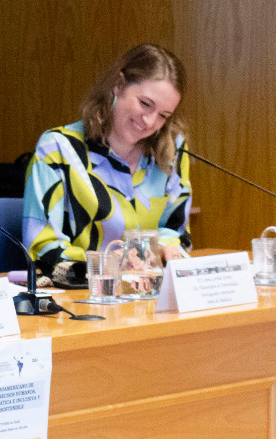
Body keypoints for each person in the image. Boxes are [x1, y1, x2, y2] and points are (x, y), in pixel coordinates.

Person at [23, 43, 191, 285]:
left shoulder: (171, 150)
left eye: (164, 115)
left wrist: (165, 247)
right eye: (145, 104)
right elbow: (41, 250)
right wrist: (108, 263)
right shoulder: (58, 149)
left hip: (148, 296)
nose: (150, 121)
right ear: (118, 85)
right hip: (84, 302)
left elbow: (177, 232)